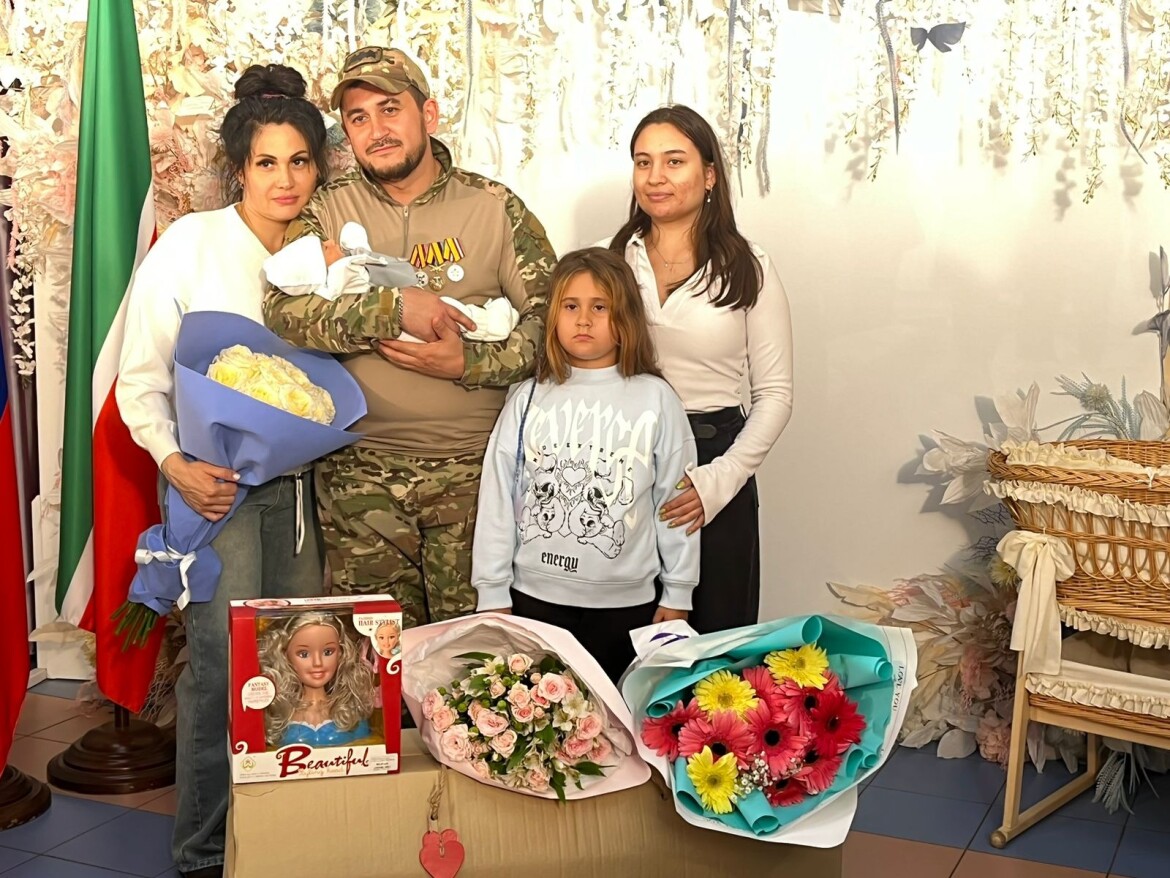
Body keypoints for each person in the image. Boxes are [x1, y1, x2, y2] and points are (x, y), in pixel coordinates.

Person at [116, 64, 329, 878]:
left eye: (300, 161)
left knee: (302, 662)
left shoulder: (326, 252)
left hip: (300, 494)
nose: (285, 179)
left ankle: (284, 838)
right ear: (239, 168)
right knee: (219, 671)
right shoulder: (192, 245)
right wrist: (176, 465)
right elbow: (140, 377)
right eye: (267, 162)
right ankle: (204, 850)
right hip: (214, 493)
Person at [264, 46, 555, 635]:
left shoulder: (494, 207)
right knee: (375, 663)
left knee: (471, 656)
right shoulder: (326, 209)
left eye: (390, 109)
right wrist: (392, 308)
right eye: (358, 117)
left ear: (429, 113)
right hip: (358, 479)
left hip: (474, 474)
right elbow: (283, 312)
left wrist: (469, 362)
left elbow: (552, 323)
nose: (376, 129)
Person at [472, 248, 699, 682]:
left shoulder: (657, 399)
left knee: (615, 718)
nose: (583, 321)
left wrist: (678, 592)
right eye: (571, 306)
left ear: (625, 317)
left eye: (600, 307)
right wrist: (492, 592)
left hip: (626, 608)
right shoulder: (527, 397)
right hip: (533, 600)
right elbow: (499, 497)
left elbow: (676, 503)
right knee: (542, 718)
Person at [608, 105, 793, 635]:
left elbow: (776, 393)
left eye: (674, 161)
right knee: (620, 641)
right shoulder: (610, 260)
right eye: (643, 162)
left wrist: (719, 481)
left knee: (712, 647)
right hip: (621, 460)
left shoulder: (747, 266)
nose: (656, 177)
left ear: (709, 174)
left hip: (713, 462)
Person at [258, 612, 375, 748]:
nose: (318, 663)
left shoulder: (351, 716)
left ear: (340, 653)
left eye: (328, 652)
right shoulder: (277, 718)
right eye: (304, 654)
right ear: (285, 656)